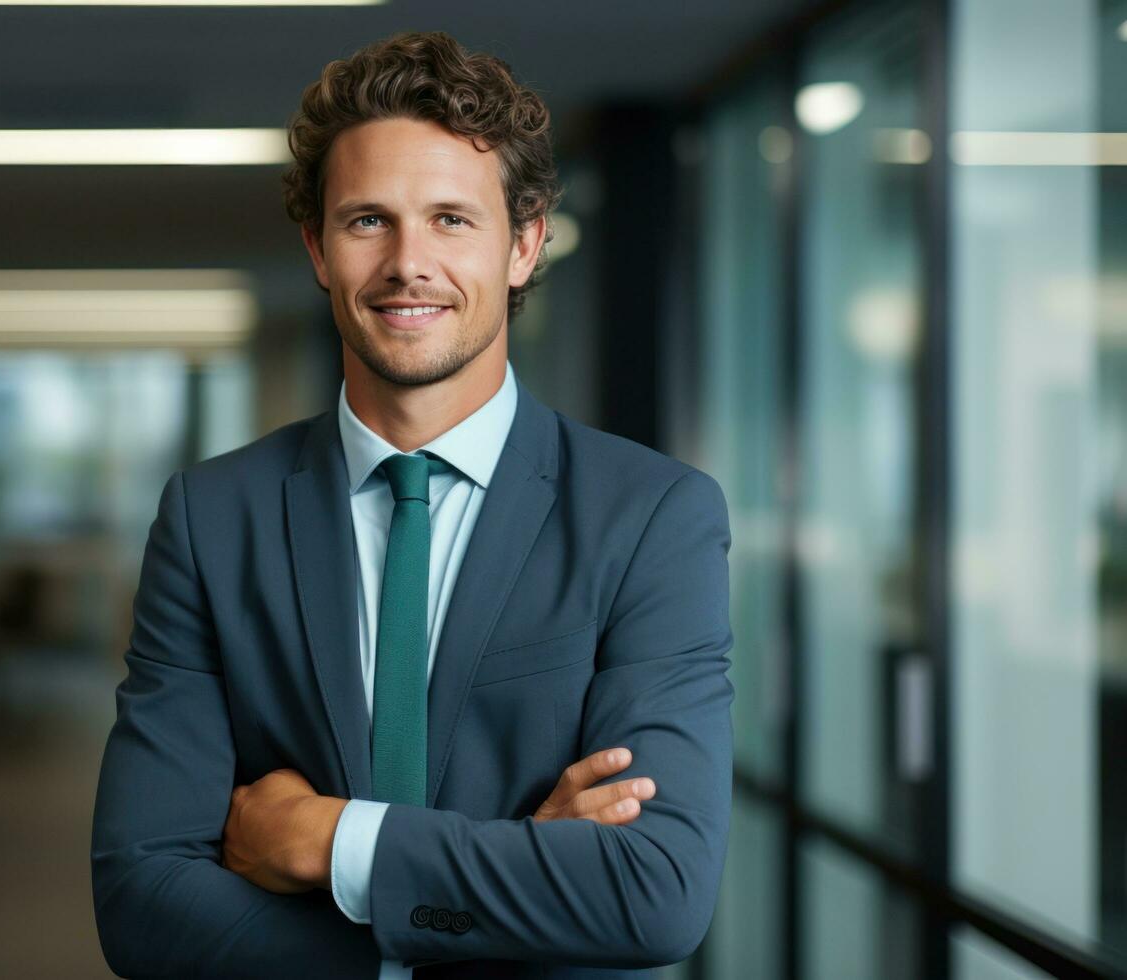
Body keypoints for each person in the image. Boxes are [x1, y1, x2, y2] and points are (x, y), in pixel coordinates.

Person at [91, 31, 734, 979]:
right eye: (367, 221)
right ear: (317, 247)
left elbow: (654, 891)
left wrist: (327, 842)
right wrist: (516, 884)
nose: (407, 263)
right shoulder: (210, 517)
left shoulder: (650, 517)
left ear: (524, 245)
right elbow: (141, 899)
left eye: (450, 220)